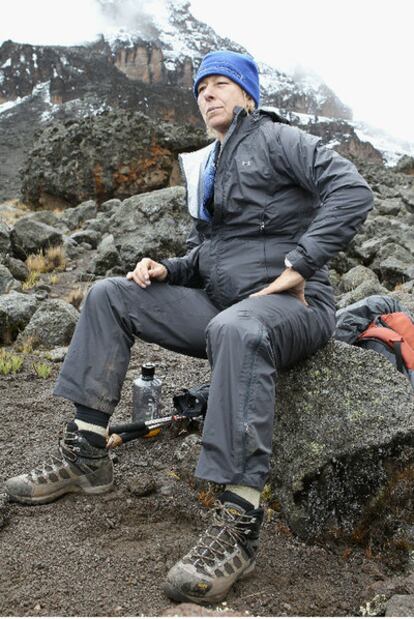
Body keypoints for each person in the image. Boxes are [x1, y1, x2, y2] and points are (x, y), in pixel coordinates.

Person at [5, 50, 373, 604]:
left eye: (221, 84)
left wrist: (300, 263)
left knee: (236, 328)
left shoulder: (279, 140)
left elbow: (353, 190)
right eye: (201, 88)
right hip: (225, 305)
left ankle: (239, 523)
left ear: (248, 93)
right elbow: (207, 255)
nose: (207, 95)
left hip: (296, 307)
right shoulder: (208, 164)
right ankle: (87, 456)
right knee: (109, 295)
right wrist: (167, 270)